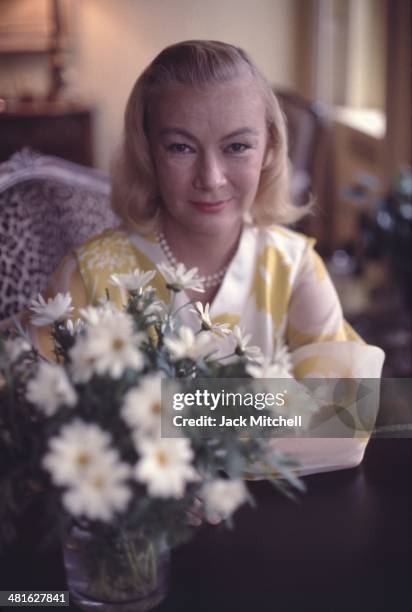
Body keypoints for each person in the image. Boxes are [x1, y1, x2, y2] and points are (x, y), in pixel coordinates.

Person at [30, 40, 384, 476]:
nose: (211, 179)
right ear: (148, 150)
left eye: (237, 147)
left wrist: (155, 413)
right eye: (181, 147)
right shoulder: (89, 274)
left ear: (269, 148)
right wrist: (276, 405)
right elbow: (35, 423)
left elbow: (344, 420)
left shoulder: (294, 268)